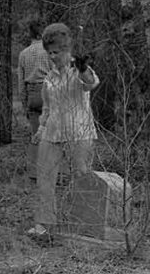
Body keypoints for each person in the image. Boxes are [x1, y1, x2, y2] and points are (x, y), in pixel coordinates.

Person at [27, 23, 99, 239]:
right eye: (49, 53)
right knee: (45, 178)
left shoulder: (79, 71)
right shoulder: (49, 78)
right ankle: (44, 225)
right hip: (52, 133)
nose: (53, 57)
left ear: (67, 49)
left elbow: (91, 84)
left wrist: (84, 68)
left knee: (82, 177)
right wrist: (40, 129)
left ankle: (84, 225)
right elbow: (47, 108)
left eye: (56, 52)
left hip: (80, 133)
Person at [17, 19, 50, 174]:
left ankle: (34, 171)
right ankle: (50, 171)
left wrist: (24, 103)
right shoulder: (49, 52)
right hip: (48, 93)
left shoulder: (23, 54)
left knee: (35, 132)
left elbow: (20, 83)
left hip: (32, 93)